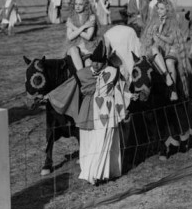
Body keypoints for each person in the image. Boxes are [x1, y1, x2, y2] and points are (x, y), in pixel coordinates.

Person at [47, 47, 134, 185]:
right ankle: (89, 172)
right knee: (88, 143)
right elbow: (67, 87)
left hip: (106, 112)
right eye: (94, 62)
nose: (96, 65)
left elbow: (121, 88)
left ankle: (104, 173)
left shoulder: (111, 72)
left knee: (103, 142)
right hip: (87, 111)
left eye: (99, 62)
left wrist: (129, 98)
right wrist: (51, 96)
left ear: (104, 62)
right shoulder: (82, 73)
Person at [140, 0, 191, 101]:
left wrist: (160, 32)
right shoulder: (154, 22)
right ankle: (166, 76)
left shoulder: (172, 22)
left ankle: (173, 90)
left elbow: (171, 41)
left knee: (169, 62)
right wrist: (157, 29)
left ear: (167, 10)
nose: (159, 11)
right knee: (152, 52)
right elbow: (150, 40)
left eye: (162, 9)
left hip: (171, 48)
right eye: (158, 8)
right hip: (158, 49)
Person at [66, 0, 99, 71]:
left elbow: (88, 36)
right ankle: (81, 74)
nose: (77, 6)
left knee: (88, 63)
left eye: (80, 4)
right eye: (76, 4)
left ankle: (85, 76)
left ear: (86, 6)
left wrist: (73, 27)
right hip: (74, 47)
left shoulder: (91, 17)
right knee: (73, 49)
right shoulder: (70, 18)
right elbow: (70, 37)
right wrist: (84, 27)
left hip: (88, 49)